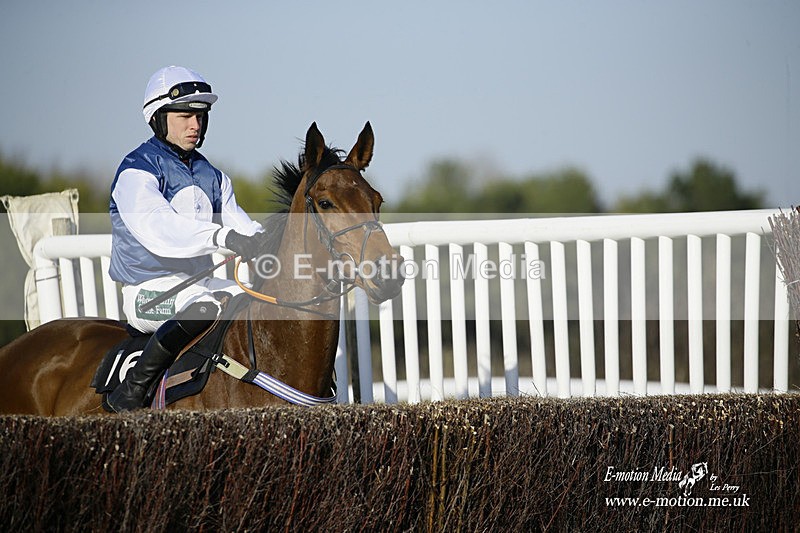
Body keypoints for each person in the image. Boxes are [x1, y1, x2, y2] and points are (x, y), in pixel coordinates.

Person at [107, 66, 264, 412]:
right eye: (184, 116)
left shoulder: (214, 176)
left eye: (201, 116)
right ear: (158, 117)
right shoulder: (137, 171)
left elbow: (243, 224)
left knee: (259, 302)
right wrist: (225, 237)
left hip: (201, 284)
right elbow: (162, 230)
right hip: (148, 294)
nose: (195, 125)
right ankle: (131, 393)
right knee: (203, 307)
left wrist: (267, 241)